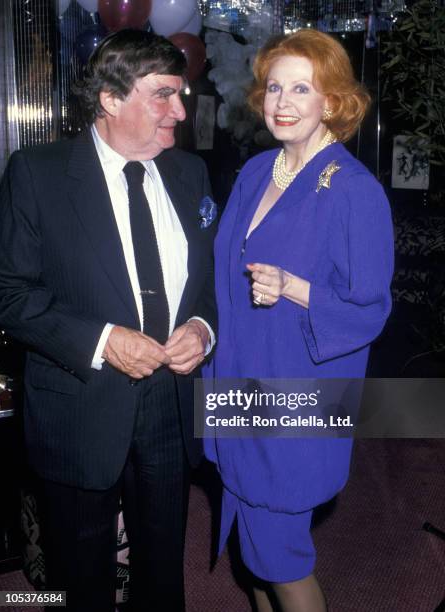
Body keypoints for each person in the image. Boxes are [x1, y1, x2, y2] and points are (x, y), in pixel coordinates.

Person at [0, 30, 216, 612]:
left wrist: (201, 328)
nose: (181, 110)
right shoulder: (37, 173)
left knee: (165, 572)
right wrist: (103, 340)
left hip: (171, 405)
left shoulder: (190, 174)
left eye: (182, 93)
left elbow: (208, 284)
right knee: (79, 579)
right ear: (111, 99)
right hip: (79, 402)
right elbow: (9, 294)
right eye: (164, 95)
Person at [205, 29, 393, 611]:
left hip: (296, 394)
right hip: (238, 380)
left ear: (332, 103)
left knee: (281, 559)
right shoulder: (258, 170)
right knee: (251, 554)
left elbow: (371, 309)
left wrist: (295, 289)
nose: (281, 103)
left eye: (301, 89)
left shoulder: (355, 192)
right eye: (274, 88)